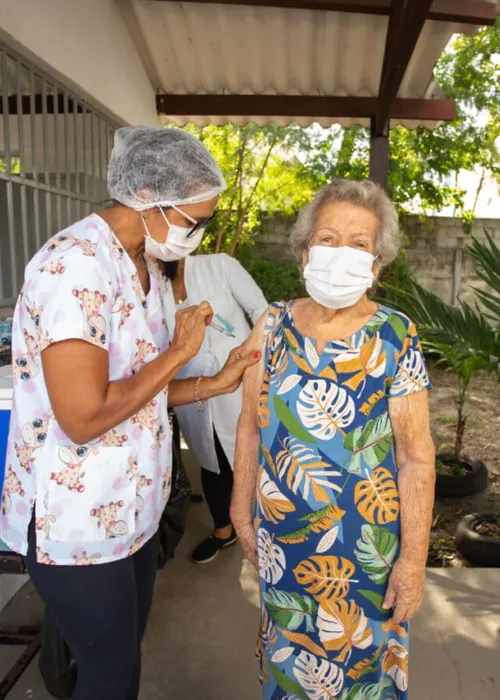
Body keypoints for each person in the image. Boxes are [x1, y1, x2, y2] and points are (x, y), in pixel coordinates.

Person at [0, 126, 259, 700]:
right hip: (78, 520)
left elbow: (141, 394)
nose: (199, 233)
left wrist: (217, 379)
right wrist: (179, 354)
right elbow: (83, 417)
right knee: (108, 674)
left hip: (132, 510)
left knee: (120, 659)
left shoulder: (145, 266)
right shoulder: (75, 268)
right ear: (150, 200)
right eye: (197, 220)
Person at [231, 180, 435, 700]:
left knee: (363, 674)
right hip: (285, 549)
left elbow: (416, 458)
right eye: (328, 237)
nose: (342, 252)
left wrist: (413, 561)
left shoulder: (395, 335)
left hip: (369, 556)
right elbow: (250, 426)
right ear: (304, 250)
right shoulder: (270, 325)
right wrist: (239, 510)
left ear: (378, 263)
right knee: (290, 665)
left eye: (360, 244)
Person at [164, 253, 267, 563]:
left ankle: (268, 528)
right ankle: (224, 530)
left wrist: (248, 355)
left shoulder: (219, 265)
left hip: (240, 381)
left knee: (254, 454)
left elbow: (261, 310)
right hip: (190, 389)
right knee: (212, 460)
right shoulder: (150, 289)